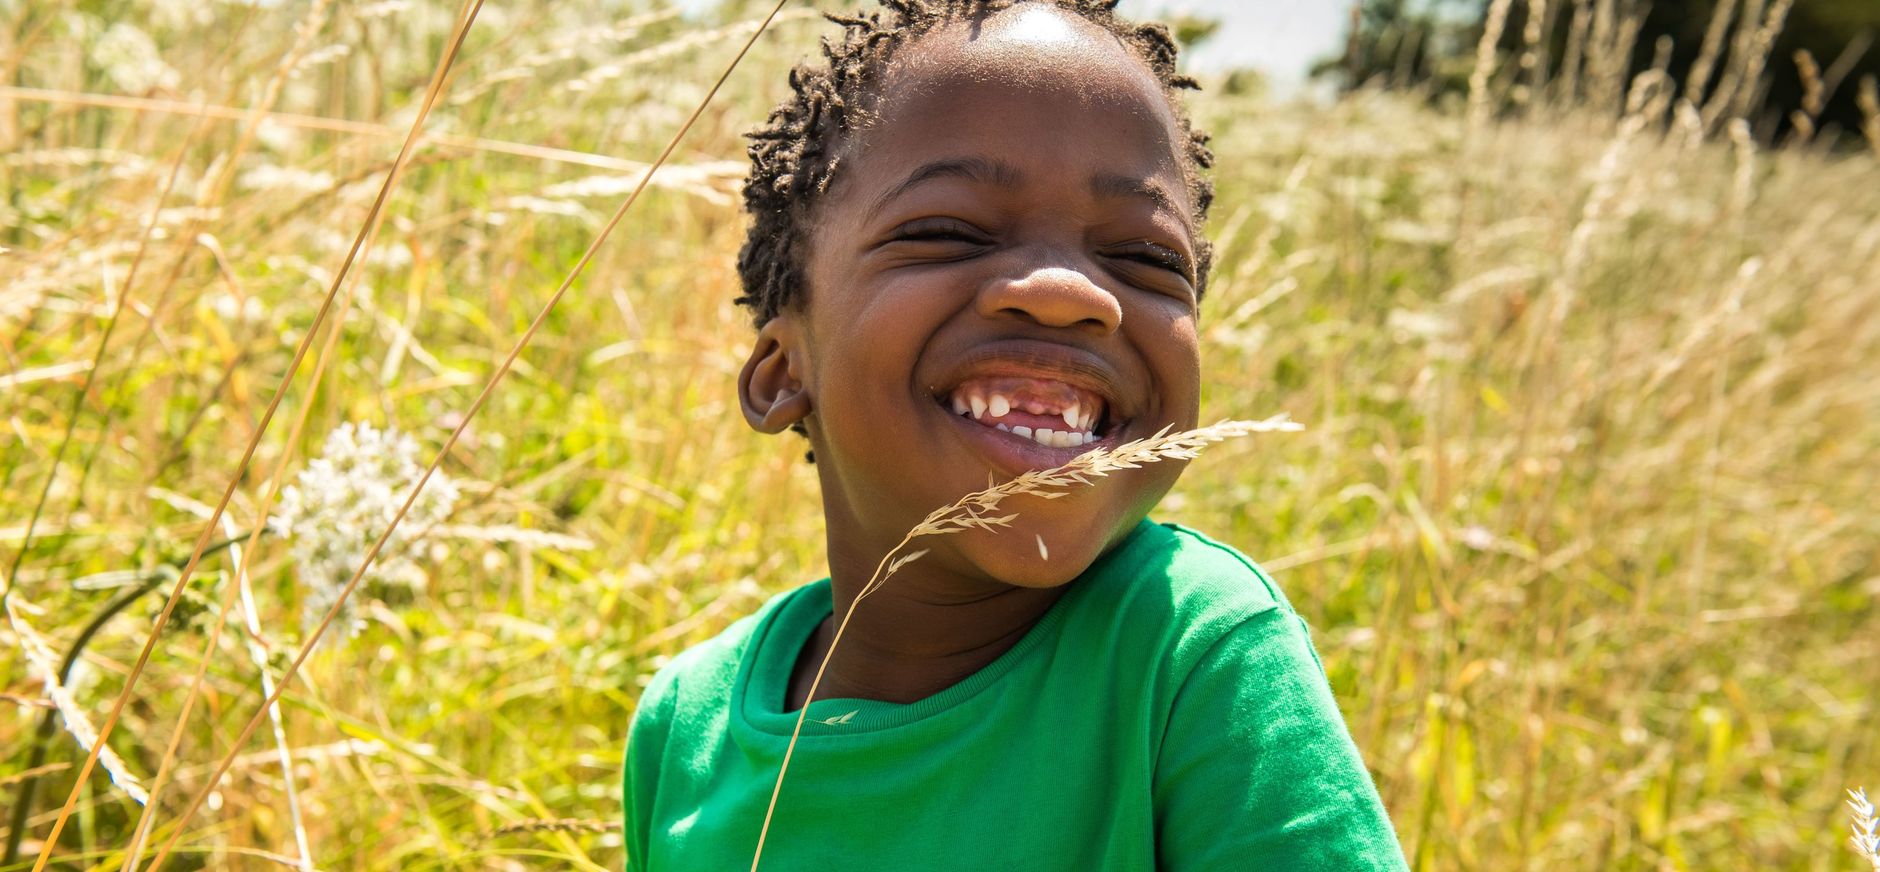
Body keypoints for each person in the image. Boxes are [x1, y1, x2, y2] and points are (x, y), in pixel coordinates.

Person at [623, 2, 1407, 868]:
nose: (1071, 292)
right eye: (947, 232)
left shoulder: (1188, 650)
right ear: (781, 375)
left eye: (1145, 258)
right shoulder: (684, 723)